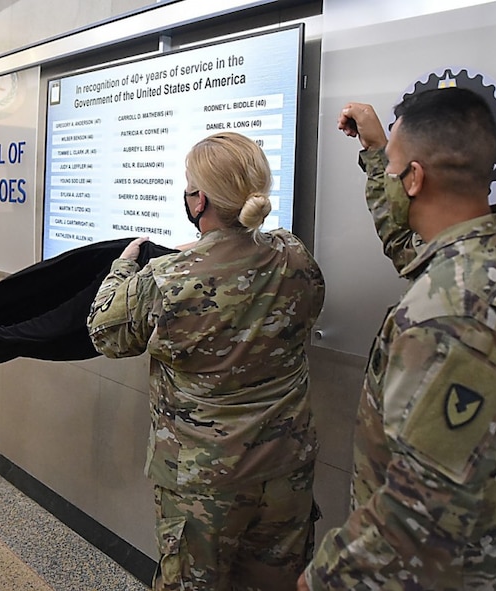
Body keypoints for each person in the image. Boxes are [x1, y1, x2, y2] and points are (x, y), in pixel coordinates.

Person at [297, 88, 496, 590]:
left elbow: (421, 502)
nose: (392, 176)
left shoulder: (453, 316)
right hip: (491, 543)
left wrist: (323, 580)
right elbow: (411, 246)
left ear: (416, 178)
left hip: (437, 573)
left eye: (397, 169)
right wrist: (379, 154)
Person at [87, 131, 326, 590]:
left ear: (199, 200)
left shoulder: (166, 277)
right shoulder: (294, 255)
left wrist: (123, 266)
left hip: (204, 484)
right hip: (285, 470)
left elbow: (106, 333)